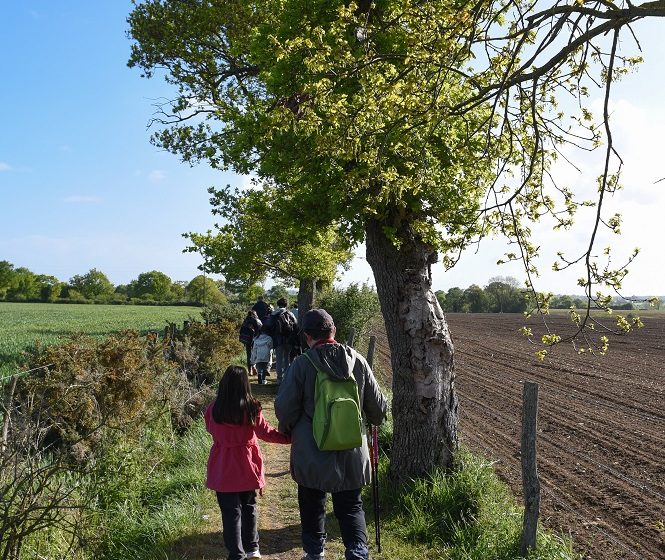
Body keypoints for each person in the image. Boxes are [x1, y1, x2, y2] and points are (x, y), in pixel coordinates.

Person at [274, 309, 388, 560]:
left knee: (312, 502)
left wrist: (287, 429)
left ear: (307, 336)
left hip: (311, 449)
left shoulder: (302, 364)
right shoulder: (358, 360)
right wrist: (373, 421)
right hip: (352, 449)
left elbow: (285, 408)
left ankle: (315, 553)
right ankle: (357, 552)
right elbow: (379, 408)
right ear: (333, 331)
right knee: (351, 506)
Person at [205, 365, 291, 560]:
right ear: (246, 384)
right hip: (247, 464)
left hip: (223, 466)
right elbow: (266, 433)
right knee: (249, 506)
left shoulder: (213, 409)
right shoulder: (252, 407)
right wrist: (288, 438)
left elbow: (210, 429)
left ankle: (236, 553)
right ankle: (252, 547)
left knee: (230, 512)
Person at [267, 297, 298, 384]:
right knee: (287, 359)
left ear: (278, 304)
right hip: (289, 339)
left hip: (277, 340)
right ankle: (286, 377)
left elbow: (268, 327)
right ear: (286, 305)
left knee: (279, 360)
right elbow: (296, 325)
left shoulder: (273, 314)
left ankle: (279, 379)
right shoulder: (290, 314)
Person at [239, 310, 262, 375]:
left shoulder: (245, 320)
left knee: (248, 354)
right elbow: (261, 328)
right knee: (255, 354)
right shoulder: (256, 320)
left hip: (247, 340)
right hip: (255, 339)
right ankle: (254, 367)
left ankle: (250, 370)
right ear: (254, 314)